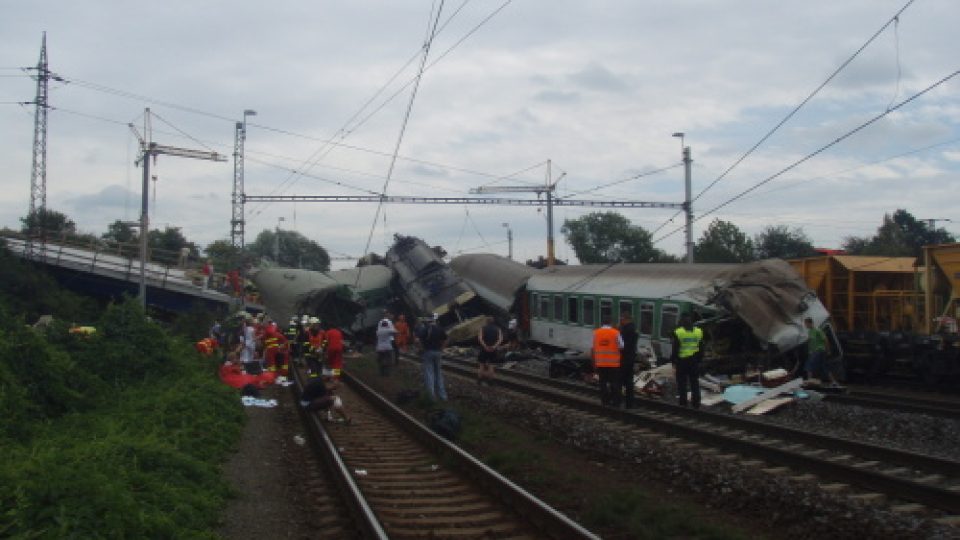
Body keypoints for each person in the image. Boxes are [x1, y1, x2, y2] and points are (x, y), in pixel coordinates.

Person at [671, 313, 703, 409]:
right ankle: (696, 403)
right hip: (694, 361)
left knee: (682, 382)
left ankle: (683, 402)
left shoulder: (679, 332)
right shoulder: (698, 331)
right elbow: (701, 347)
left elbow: (675, 348)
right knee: (694, 382)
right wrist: (699, 359)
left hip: (682, 361)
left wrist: (673, 360)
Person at [591, 316, 623, 407]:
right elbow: (622, 346)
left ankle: (605, 401)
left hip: (601, 363)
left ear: (602, 323)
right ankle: (616, 402)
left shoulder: (596, 333)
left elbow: (593, 348)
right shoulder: (616, 332)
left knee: (603, 383)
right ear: (611, 323)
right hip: (614, 364)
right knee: (614, 383)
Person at [416, 314, 448, 401]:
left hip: (428, 352)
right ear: (434, 320)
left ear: (427, 320)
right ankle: (443, 396)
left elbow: (417, 340)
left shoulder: (425, 329)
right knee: (439, 374)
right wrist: (441, 349)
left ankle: (431, 397)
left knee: (429, 374)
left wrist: (421, 348)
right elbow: (445, 340)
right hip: (438, 353)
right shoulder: (440, 328)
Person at [804, 317, 838, 386]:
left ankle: (809, 381)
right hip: (815, 351)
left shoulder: (817, 330)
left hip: (819, 350)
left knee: (809, 365)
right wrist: (810, 350)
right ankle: (834, 382)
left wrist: (828, 350)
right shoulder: (810, 331)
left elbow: (825, 340)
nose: (805, 325)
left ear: (810, 323)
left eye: (806, 324)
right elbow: (810, 342)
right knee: (824, 367)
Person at [619, 314, 639, 409]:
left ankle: (618, 401)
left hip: (624, 358)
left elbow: (623, 345)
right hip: (631, 358)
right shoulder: (634, 329)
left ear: (626, 319)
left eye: (622, 319)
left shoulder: (625, 330)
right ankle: (630, 403)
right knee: (629, 382)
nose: (620, 321)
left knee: (619, 381)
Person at [477, 317, 504, 386]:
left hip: (483, 349)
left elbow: (480, 338)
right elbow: (500, 339)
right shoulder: (498, 329)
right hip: (493, 350)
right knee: (491, 366)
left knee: (481, 365)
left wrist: (485, 346)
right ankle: (490, 381)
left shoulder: (482, 328)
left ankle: (479, 381)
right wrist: (494, 346)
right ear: (493, 322)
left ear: (486, 322)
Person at [324, 322, 345, 387]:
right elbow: (341, 341)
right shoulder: (339, 332)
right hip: (339, 348)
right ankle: (335, 379)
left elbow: (326, 342)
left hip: (331, 348)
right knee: (337, 363)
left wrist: (325, 351)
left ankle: (328, 377)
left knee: (328, 362)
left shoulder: (328, 332)